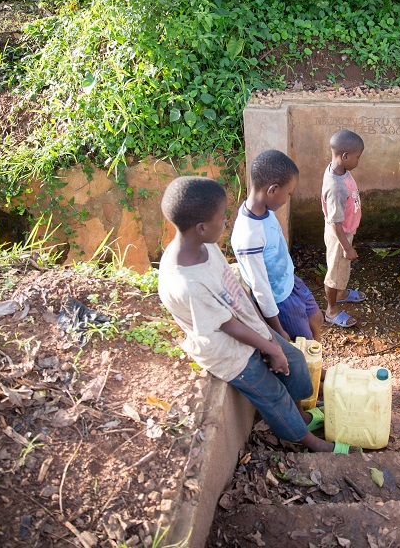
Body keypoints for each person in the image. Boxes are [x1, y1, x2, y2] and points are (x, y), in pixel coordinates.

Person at [157, 176, 356, 453]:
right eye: (221, 218)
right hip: (228, 352)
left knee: (295, 360)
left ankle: (301, 415)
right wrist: (270, 347)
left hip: (246, 325)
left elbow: (233, 293)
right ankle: (308, 441)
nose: (226, 223)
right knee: (273, 396)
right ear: (202, 228)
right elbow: (227, 327)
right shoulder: (185, 284)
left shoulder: (204, 245)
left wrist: (269, 335)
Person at [231, 150, 323, 343]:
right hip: (279, 300)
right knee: (301, 342)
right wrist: (277, 329)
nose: (287, 198)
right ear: (272, 190)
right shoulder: (249, 237)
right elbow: (261, 289)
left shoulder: (263, 209)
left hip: (289, 283)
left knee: (316, 319)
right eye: (288, 193)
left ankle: (315, 355)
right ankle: (311, 368)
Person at [322, 129, 366, 328]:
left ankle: (341, 294)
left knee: (341, 270)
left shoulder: (340, 169)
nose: (358, 161)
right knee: (334, 272)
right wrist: (346, 247)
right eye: (357, 157)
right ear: (345, 156)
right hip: (340, 236)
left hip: (346, 231)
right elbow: (335, 222)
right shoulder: (336, 187)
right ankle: (331, 310)